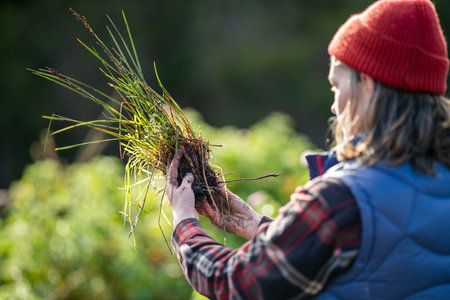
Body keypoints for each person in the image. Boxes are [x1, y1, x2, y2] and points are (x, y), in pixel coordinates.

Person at [166, 0, 450, 298]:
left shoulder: (342, 197)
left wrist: (184, 222)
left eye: (336, 87)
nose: (333, 104)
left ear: (366, 84)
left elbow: (237, 282)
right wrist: (255, 224)